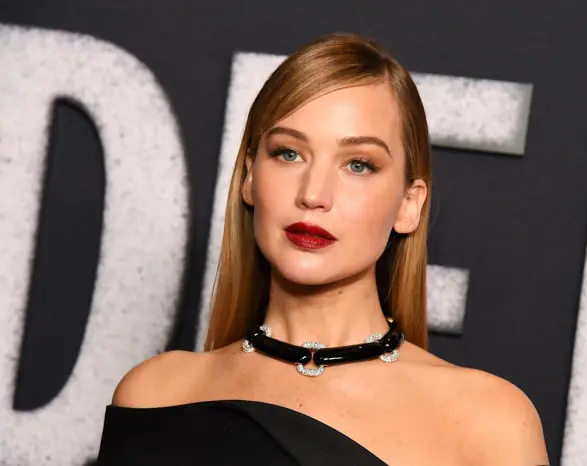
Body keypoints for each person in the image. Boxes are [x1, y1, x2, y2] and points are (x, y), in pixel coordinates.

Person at [96, 32, 549, 465]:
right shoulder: (155, 396)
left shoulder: (489, 423)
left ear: (408, 205)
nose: (313, 194)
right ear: (250, 177)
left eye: (358, 165)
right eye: (288, 154)